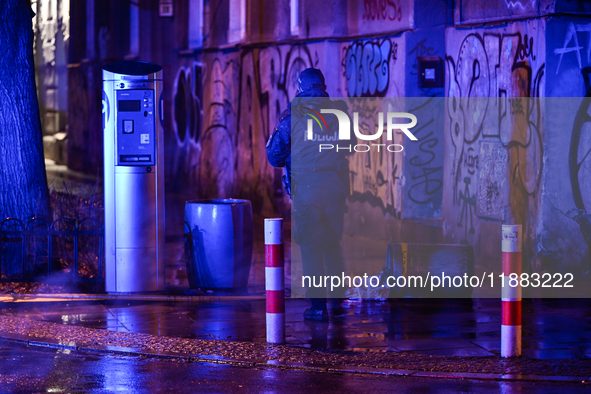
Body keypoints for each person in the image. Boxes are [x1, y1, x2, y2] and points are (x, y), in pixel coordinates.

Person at [266, 68, 350, 321]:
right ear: (322, 86)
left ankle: (317, 306)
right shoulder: (339, 112)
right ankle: (337, 299)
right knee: (332, 244)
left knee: (311, 248)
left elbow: (274, 156)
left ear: (300, 88)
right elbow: (350, 145)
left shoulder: (292, 116)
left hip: (307, 191)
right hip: (335, 189)